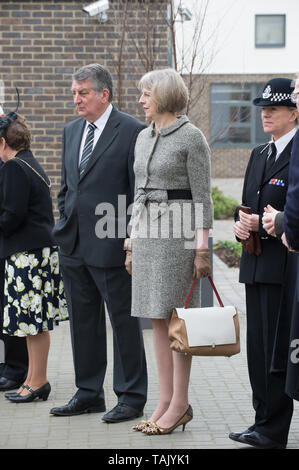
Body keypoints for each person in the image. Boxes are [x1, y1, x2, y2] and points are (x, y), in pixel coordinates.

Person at [50, 63, 148, 421]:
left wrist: (130, 240)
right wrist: (64, 220)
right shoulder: (71, 131)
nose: (76, 99)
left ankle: (132, 396)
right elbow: (67, 186)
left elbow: (138, 191)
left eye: (83, 93)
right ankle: (89, 392)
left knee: (123, 323)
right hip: (74, 245)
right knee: (83, 323)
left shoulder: (133, 131)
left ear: (104, 95)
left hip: (112, 245)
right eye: (74, 93)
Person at [125, 68, 213, 435]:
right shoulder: (143, 137)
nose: (141, 100)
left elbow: (203, 197)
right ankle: (163, 400)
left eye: (146, 94)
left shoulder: (192, 138)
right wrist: (130, 240)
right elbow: (137, 190)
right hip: (146, 236)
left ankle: (180, 403)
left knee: (178, 322)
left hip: (178, 238)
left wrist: (202, 249)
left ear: (162, 95)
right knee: (156, 320)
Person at [230, 78, 298, 449]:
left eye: (275, 107)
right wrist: (242, 226)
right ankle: (261, 422)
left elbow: (293, 214)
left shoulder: (298, 152)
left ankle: (273, 430)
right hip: (254, 266)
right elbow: (247, 205)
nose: (266, 113)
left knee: (276, 352)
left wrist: (268, 225)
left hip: (283, 269)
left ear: (294, 112)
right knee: (257, 350)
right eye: (263, 108)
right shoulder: (260, 154)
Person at [0, 112, 67, 403]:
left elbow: (11, 215)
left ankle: (37, 381)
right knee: (33, 323)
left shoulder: (14, 166)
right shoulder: (30, 162)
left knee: (33, 323)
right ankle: (32, 379)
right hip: (37, 254)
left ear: (3, 142)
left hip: (27, 255)